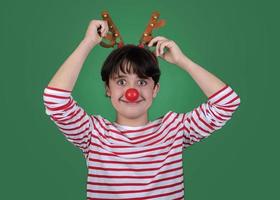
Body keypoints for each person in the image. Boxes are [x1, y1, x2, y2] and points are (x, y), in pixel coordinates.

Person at [43, 19, 241, 199]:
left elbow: (227, 103)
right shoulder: (93, 134)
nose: (132, 92)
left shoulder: (173, 129)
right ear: (108, 89)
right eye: (121, 81)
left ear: (155, 90)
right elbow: (55, 100)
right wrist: (87, 43)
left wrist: (183, 62)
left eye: (142, 82)